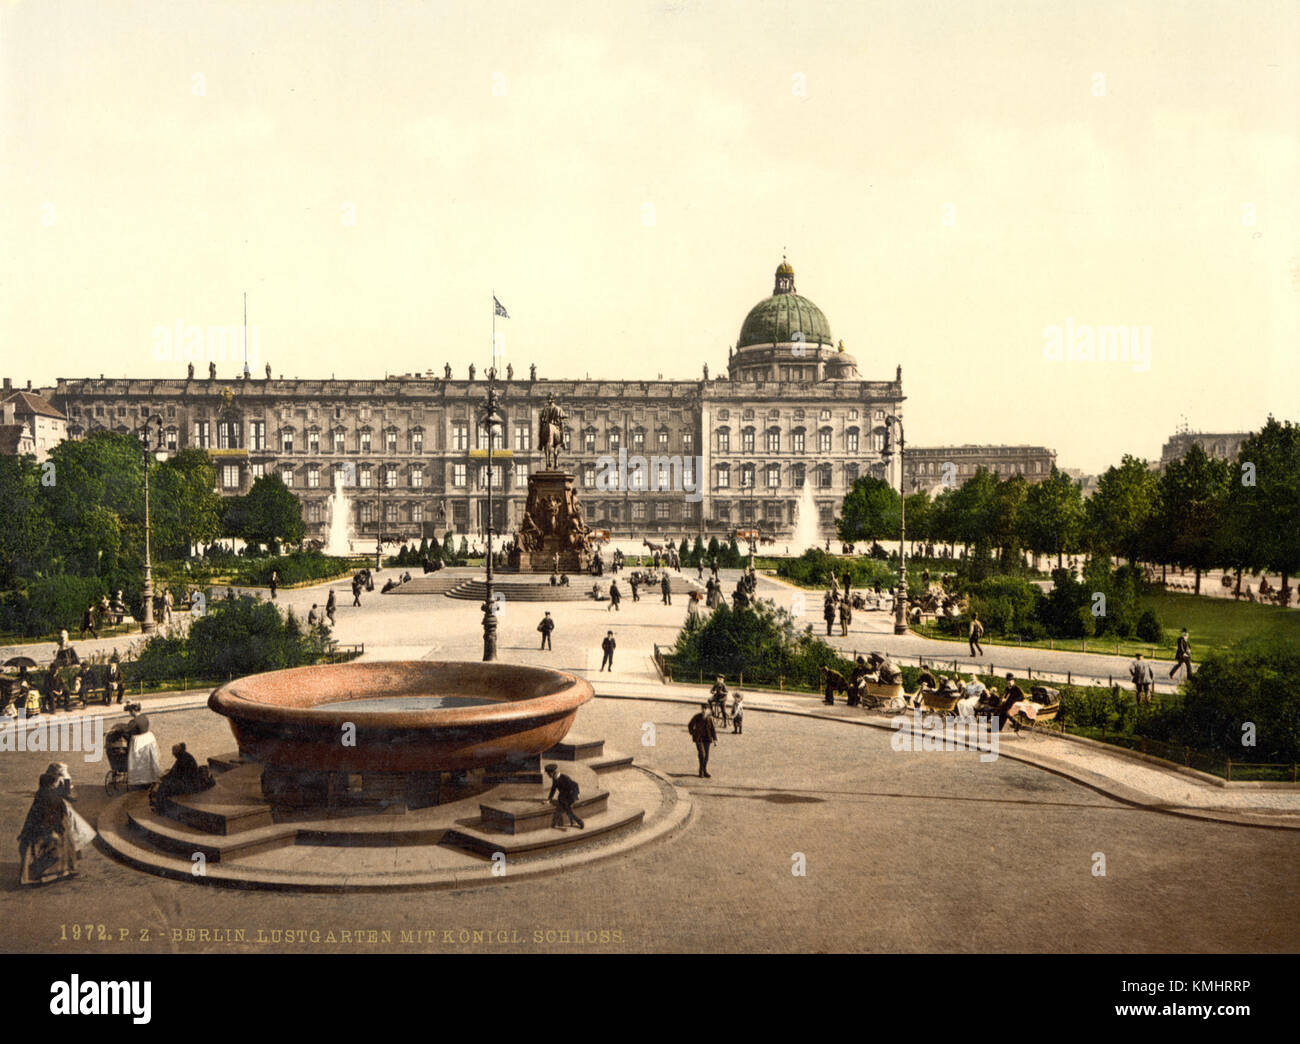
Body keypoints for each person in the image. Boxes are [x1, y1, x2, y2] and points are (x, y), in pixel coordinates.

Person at [17, 772, 77, 885]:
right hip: (46, 831)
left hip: (33, 831)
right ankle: (58, 872)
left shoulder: (39, 794)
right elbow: (61, 817)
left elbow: (32, 816)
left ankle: (25, 877)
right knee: (65, 842)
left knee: (26, 849)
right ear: (52, 784)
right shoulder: (55, 798)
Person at [46, 763, 96, 854]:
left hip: (55, 808)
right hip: (62, 808)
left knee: (71, 830)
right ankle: (73, 852)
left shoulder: (49, 780)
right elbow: (69, 795)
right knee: (72, 830)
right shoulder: (61, 780)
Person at [150, 742, 214, 811]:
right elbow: (174, 771)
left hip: (187, 784)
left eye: (174, 754)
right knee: (164, 785)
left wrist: (167, 778)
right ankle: (159, 805)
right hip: (186, 781)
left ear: (177, 754)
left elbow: (178, 774)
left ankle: (160, 807)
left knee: (164, 788)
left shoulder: (183, 760)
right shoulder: (184, 757)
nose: (174, 756)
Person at [544, 764, 584, 829]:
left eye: (548, 774)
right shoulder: (555, 778)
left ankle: (579, 822)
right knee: (567, 809)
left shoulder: (564, 777)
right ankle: (574, 822)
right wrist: (549, 799)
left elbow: (575, 785)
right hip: (564, 797)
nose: (548, 775)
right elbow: (553, 789)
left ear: (551, 773)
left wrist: (577, 795)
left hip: (570, 796)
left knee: (565, 808)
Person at [687, 702, 717, 778]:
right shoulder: (697, 717)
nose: (703, 710)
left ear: (708, 710)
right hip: (698, 738)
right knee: (702, 754)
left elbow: (712, 729)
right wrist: (693, 732)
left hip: (707, 738)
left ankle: (704, 770)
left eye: (705, 709)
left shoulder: (710, 718)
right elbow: (690, 725)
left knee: (706, 756)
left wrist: (715, 739)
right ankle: (701, 771)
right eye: (702, 708)